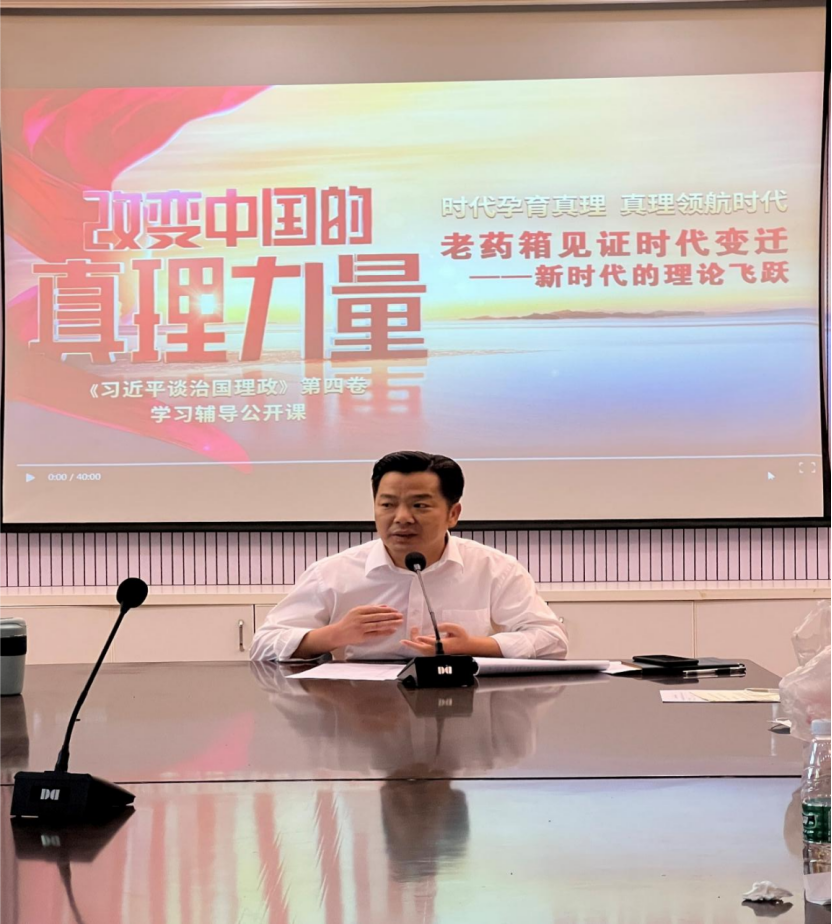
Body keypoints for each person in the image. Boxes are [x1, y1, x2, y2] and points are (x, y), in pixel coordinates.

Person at [249, 450, 568, 662]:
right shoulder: (332, 572)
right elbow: (263, 644)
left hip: (463, 707)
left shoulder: (494, 568)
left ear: (453, 513)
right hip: (360, 712)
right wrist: (332, 635)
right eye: (387, 505)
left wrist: (474, 646)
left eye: (420, 505)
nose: (401, 518)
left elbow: (551, 639)